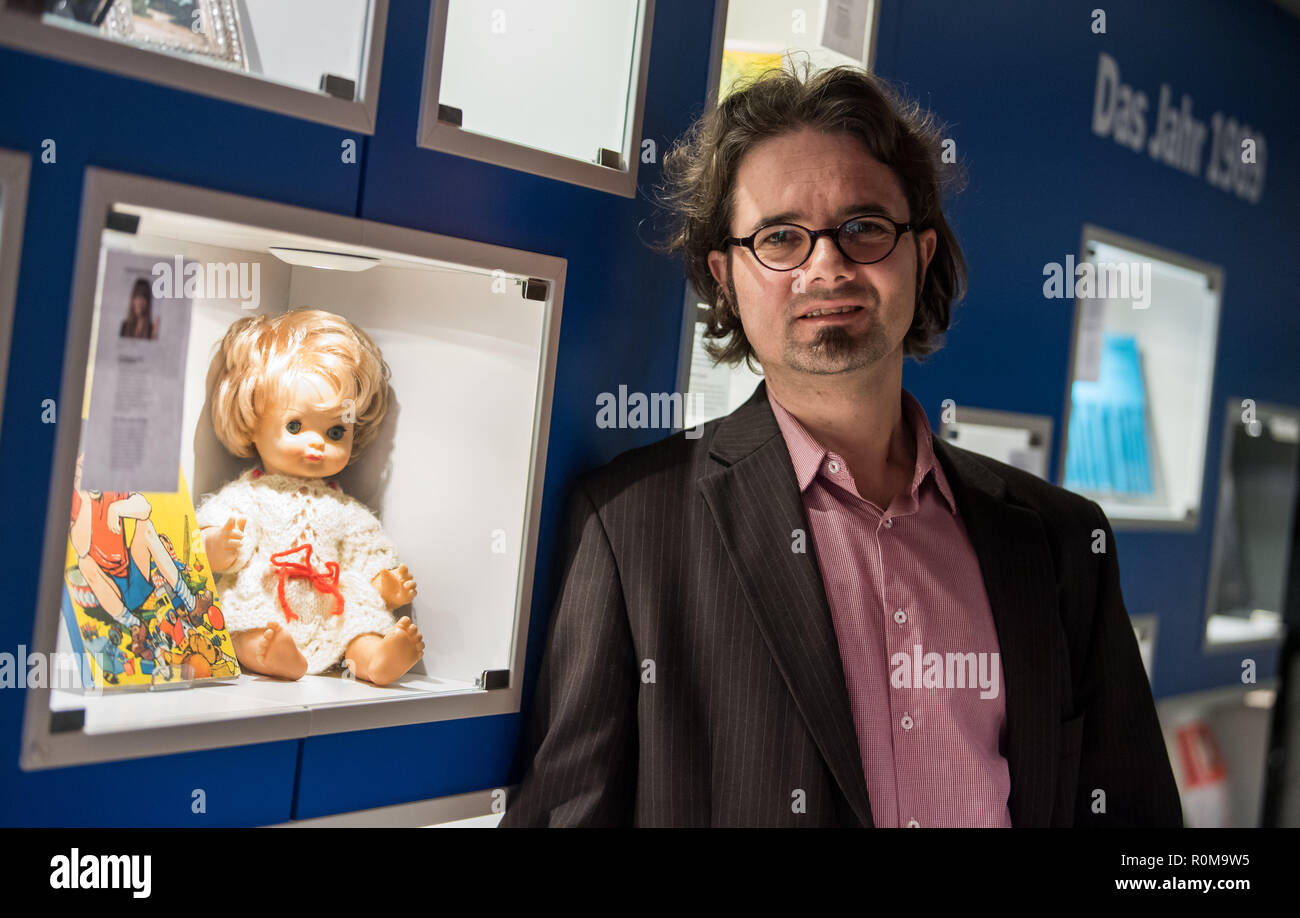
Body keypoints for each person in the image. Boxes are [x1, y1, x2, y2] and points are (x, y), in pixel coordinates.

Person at [501, 64, 1182, 827]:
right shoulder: (631, 526)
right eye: (781, 237)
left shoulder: (1059, 541)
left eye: (863, 228)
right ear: (724, 278)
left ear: (922, 257)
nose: (826, 265)